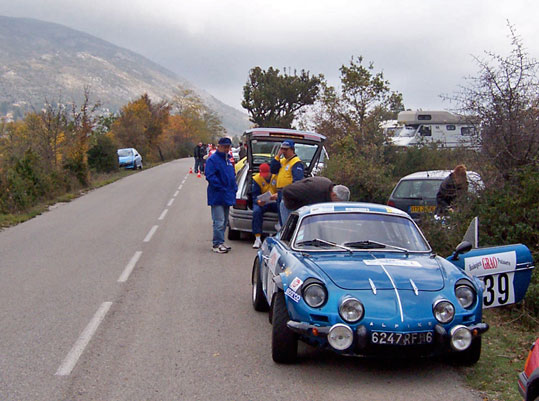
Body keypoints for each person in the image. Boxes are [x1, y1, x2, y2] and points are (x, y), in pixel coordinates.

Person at [205, 137, 238, 253]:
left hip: (227, 195)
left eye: (228, 147)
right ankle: (216, 244)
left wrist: (234, 187)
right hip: (217, 195)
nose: (226, 149)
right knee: (218, 221)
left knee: (224, 221)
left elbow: (232, 175)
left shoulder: (228, 160)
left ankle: (221, 241)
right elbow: (210, 176)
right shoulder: (212, 160)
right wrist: (221, 187)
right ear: (218, 146)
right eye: (223, 147)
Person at [281, 177, 350, 224]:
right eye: (338, 202)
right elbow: (287, 190)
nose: (336, 205)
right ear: (334, 195)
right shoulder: (315, 188)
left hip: (304, 210)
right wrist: (295, 207)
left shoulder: (328, 193)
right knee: (289, 234)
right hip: (290, 204)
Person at [270, 140, 304, 225]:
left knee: (286, 219)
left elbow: (297, 181)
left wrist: (290, 193)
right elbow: (273, 169)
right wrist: (278, 156)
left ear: (292, 150)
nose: (283, 152)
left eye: (286, 149)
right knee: (281, 217)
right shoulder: (282, 161)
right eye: (282, 149)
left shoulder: (296, 162)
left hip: (288, 193)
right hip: (280, 192)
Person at [251, 163, 279, 248]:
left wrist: (277, 195)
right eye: (263, 174)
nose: (264, 176)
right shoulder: (257, 179)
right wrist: (258, 201)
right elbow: (254, 196)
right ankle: (257, 238)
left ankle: (280, 233)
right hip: (263, 203)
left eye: (266, 174)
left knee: (283, 208)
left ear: (270, 172)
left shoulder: (277, 177)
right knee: (256, 212)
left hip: (275, 201)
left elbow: (282, 190)